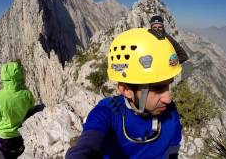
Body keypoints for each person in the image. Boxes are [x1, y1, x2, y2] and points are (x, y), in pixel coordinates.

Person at [66, 28, 183, 158]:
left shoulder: (171, 113)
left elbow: (173, 151)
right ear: (126, 90)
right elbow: (86, 146)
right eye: (157, 88)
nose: (167, 99)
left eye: (167, 86)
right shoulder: (109, 113)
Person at [0, 61, 35, 159]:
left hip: (4, 136)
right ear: (20, 75)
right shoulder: (27, 94)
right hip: (20, 134)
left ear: (4, 78)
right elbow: (31, 109)